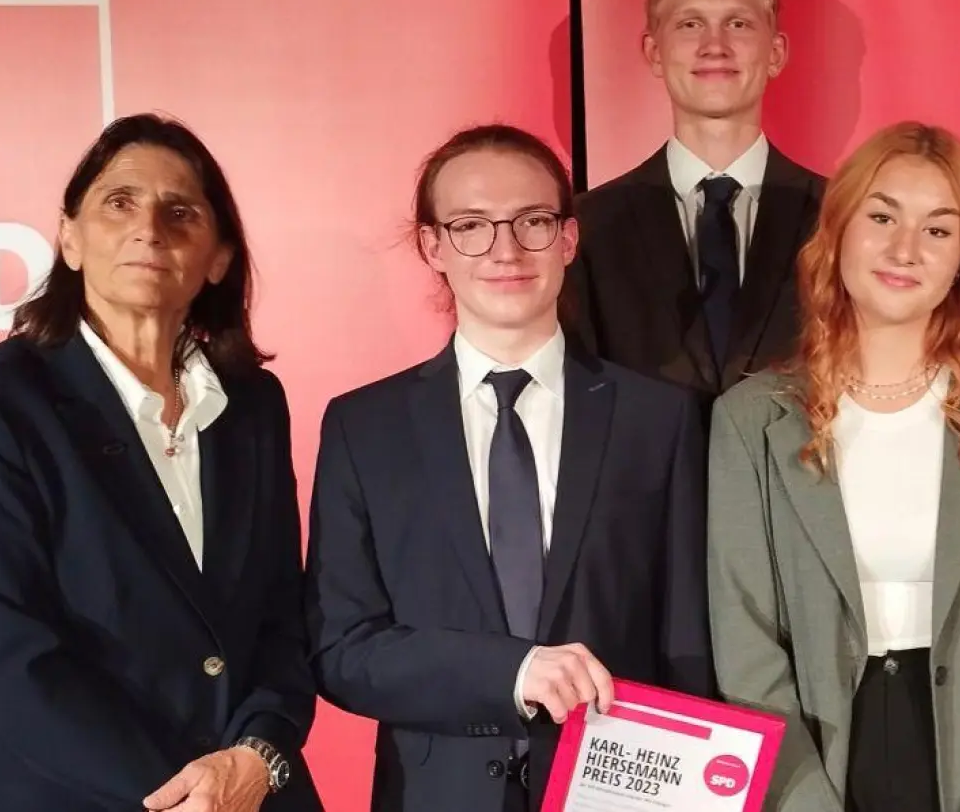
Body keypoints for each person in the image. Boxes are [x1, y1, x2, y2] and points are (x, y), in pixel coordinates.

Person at [0, 113, 321, 812]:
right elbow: (13, 659)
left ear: (218, 257)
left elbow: (285, 615)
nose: (149, 228)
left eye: (181, 210)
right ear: (69, 237)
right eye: (119, 202)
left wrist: (259, 756)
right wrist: (186, 797)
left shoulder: (253, 404)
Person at [305, 124, 713, 812]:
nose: (505, 250)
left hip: (618, 792)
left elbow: (688, 642)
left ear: (569, 239)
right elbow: (342, 650)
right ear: (433, 246)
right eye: (471, 225)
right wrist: (511, 671)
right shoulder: (364, 428)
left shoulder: (658, 419)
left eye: (532, 221)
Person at [708, 122, 960, 812]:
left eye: (938, 231)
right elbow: (747, 650)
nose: (905, 250)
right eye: (882, 217)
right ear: (840, 231)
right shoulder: (750, 420)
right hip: (816, 760)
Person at [568, 0, 825, 406]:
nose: (715, 45)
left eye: (739, 23)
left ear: (776, 53)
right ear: (653, 52)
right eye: (690, 24)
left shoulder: (841, 218)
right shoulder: (588, 227)